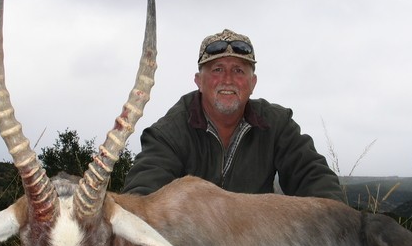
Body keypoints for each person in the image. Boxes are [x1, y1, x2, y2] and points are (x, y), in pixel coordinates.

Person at [122, 28, 343, 201]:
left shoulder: (276, 125)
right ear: (199, 81)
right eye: (217, 69)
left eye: (238, 71)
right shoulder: (170, 132)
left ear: (252, 83)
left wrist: (338, 218)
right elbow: (141, 193)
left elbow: (313, 176)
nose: (227, 79)